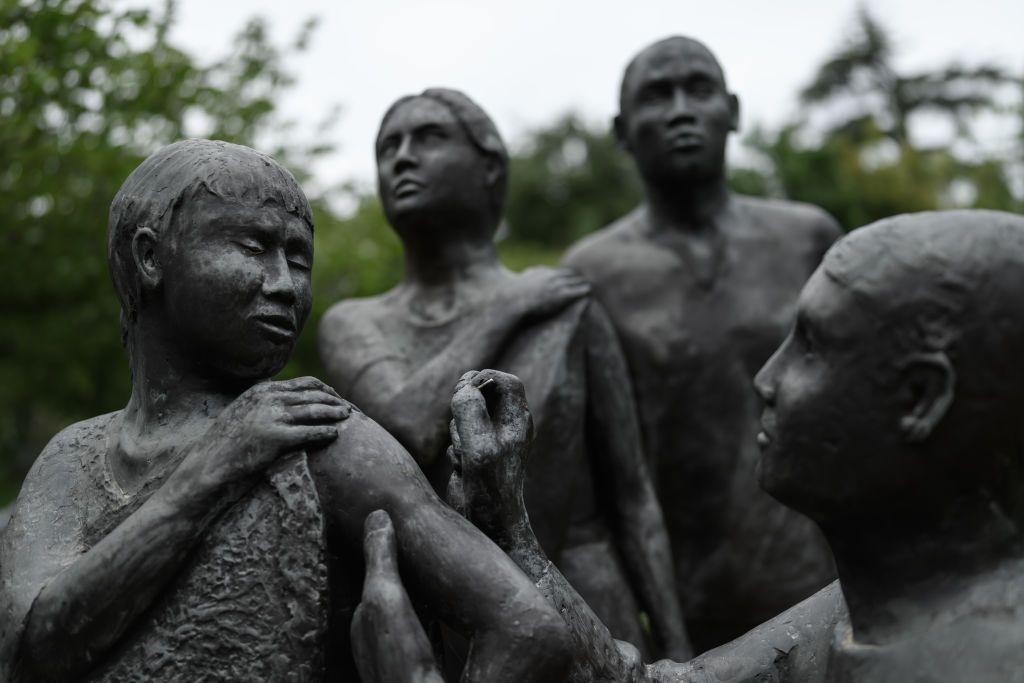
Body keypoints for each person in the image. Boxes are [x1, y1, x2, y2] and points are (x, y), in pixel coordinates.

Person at [0, 139, 572, 682]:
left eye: (298, 259)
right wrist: (210, 471)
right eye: (253, 248)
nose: (284, 285)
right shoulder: (71, 460)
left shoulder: (320, 435)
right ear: (151, 257)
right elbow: (29, 651)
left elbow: (526, 629)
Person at [444, 210, 1024, 682]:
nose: (766, 378)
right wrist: (508, 531)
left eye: (812, 347)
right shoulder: (861, 607)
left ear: (919, 398)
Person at [318, 88, 689, 657]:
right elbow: (407, 428)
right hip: (446, 628)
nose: (403, 157)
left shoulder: (568, 305)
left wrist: (678, 652)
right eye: (388, 147)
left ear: (489, 165)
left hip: (594, 614)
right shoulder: (354, 323)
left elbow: (633, 500)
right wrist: (506, 307)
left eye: (429, 138)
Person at [562, 35, 842, 650]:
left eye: (700, 90)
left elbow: (864, 417)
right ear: (621, 130)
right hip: (684, 611)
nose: (681, 110)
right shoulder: (591, 273)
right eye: (657, 96)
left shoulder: (807, 238)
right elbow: (595, 475)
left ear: (734, 111)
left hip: (828, 587)